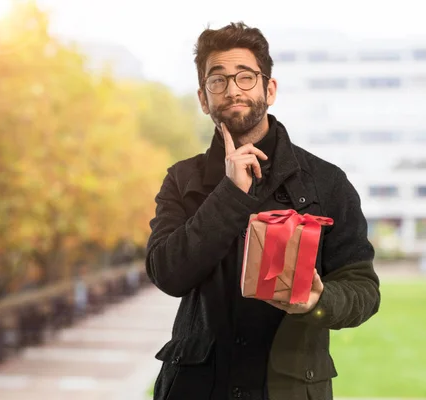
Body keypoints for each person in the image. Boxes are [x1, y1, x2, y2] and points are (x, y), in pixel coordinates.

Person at [145, 22, 381, 400]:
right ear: (204, 99)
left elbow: (364, 290)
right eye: (217, 80)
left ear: (269, 89)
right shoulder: (183, 180)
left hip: (289, 389)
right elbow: (167, 273)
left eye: (245, 77)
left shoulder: (327, 182)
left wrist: (319, 302)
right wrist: (229, 193)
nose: (232, 89)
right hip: (198, 388)